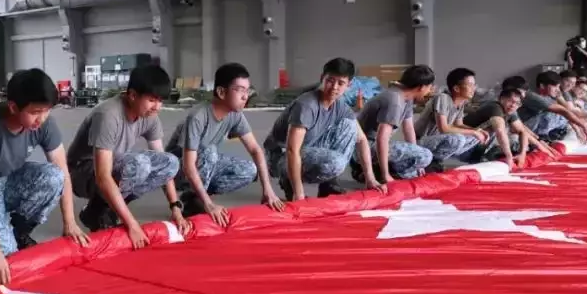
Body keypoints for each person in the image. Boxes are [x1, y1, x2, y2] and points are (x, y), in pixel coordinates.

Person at [0, 68, 89, 285]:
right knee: (6, 255)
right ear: (13, 107)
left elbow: (62, 170)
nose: (41, 118)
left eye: (46, 111)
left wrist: (70, 222)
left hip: (10, 178)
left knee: (53, 177)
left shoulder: (44, 123)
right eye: (36, 112)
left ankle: (18, 231)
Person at [66, 64, 192, 247]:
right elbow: (102, 177)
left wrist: (176, 209)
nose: (157, 107)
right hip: (82, 173)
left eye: (160, 100)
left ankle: (98, 211)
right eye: (152, 100)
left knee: (170, 163)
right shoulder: (108, 115)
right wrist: (132, 224)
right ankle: (99, 209)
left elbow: (164, 162)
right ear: (132, 95)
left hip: (111, 167)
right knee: (139, 164)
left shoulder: (150, 116)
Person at [166, 63, 283, 225]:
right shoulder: (198, 117)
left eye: (247, 90)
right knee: (210, 152)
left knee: (249, 170)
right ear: (221, 92)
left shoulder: (235, 115)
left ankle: (195, 198)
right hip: (177, 172)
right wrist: (209, 204)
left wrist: (268, 190)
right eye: (240, 90)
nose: (245, 96)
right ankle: (196, 200)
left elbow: (255, 150)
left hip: (203, 164)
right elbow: (188, 165)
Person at [264, 57, 387, 201]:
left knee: (349, 126)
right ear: (322, 78)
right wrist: (299, 194)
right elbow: (292, 150)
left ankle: (328, 184)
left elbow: (361, 139)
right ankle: (289, 181)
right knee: (335, 162)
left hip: (308, 148)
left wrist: (370, 179)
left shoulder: (340, 105)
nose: (334, 87)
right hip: (280, 157)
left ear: (349, 85)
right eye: (330, 80)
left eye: (341, 83)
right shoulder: (306, 106)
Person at [352, 64, 435, 181]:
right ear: (421, 87)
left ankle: (377, 170)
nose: (429, 91)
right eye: (429, 87)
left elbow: (409, 129)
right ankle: (378, 172)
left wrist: (418, 162)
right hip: (364, 147)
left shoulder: (406, 96)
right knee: (425, 155)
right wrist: (386, 175)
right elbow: (382, 138)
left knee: (419, 162)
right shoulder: (395, 100)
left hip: (372, 144)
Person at [414, 67, 489, 171]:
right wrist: (473, 132)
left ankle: (475, 158)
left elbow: (459, 124)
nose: (474, 88)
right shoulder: (442, 98)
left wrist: (476, 130)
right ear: (456, 88)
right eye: (470, 85)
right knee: (457, 139)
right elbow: (443, 128)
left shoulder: (461, 103)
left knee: (479, 135)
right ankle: (432, 162)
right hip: (420, 141)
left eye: (474, 85)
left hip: (437, 141)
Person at [516, 70, 587, 143]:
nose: (558, 90)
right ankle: (542, 136)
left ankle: (554, 133)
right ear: (542, 86)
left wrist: (578, 130)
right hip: (523, 127)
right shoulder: (533, 96)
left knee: (562, 112)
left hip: (533, 126)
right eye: (555, 87)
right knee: (556, 112)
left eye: (558, 87)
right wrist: (584, 126)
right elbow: (564, 111)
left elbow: (567, 112)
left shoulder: (551, 96)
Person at [462, 87, 526, 167]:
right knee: (497, 128)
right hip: (462, 144)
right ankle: (476, 160)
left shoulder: (510, 111)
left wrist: (522, 154)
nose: (513, 105)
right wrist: (509, 157)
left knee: (509, 137)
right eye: (510, 101)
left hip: (473, 143)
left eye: (517, 103)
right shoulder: (495, 107)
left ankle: (479, 159)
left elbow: (522, 131)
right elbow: (500, 131)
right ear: (501, 99)